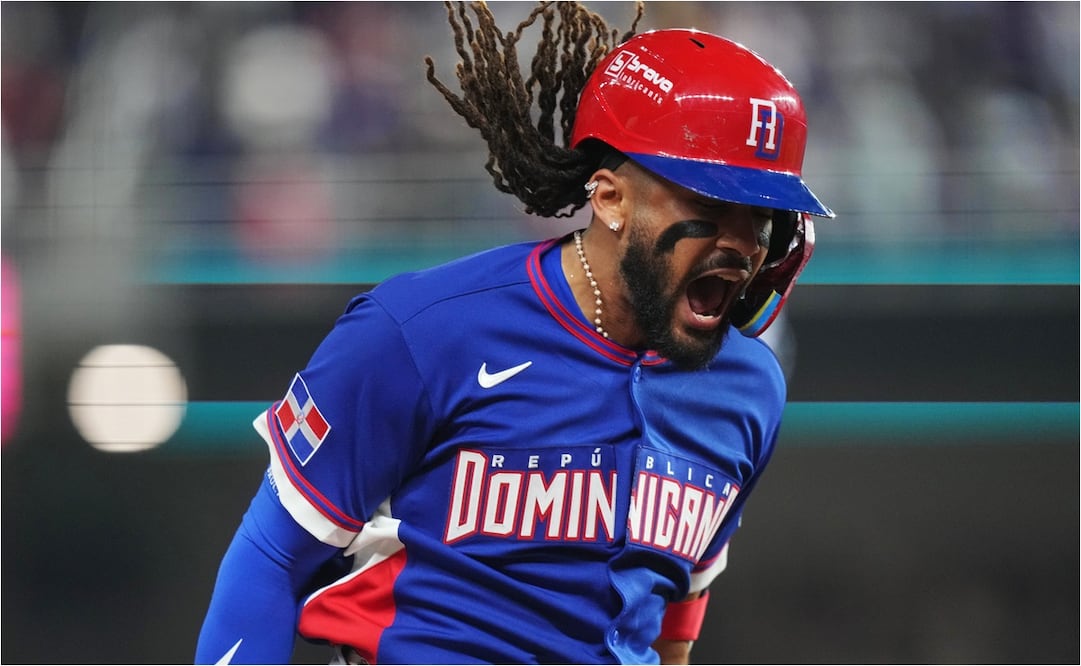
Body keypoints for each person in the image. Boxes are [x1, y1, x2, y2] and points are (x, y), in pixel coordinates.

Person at [195, 1, 833, 664]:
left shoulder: (747, 388)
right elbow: (272, 557)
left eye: (761, 216)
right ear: (609, 197)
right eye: (708, 205)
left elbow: (672, 615)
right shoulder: (423, 330)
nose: (738, 241)